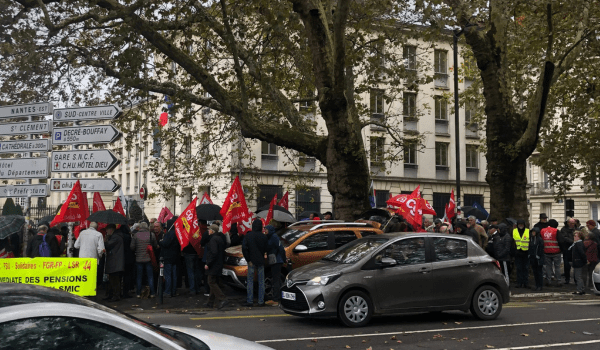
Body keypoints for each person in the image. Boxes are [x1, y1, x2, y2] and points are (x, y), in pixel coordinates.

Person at [242, 219, 268, 307]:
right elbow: (265, 249)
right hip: (260, 260)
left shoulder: (248, 236)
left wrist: (248, 259)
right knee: (261, 282)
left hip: (251, 261)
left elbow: (244, 248)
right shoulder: (264, 236)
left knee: (250, 281)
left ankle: (250, 300)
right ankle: (261, 301)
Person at [130, 222, 157, 298]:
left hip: (138, 259)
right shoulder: (151, 234)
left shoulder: (135, 235)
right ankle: (152, 293)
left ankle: (138, 293)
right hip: (148, 258)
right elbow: (155, 245)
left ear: (140, 227)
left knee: (139, 277)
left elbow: (132, 247)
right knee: (150, 276)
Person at [204, 224, 227, 309]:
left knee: (211, 282)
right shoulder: (219, 238)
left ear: (212, 231)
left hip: (214, 264)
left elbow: (214, 252)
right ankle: (210, 302)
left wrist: (208, 263)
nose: (208, 231)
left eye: (209, 229)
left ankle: (222, 298)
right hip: (219, 263)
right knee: (213, 282)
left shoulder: (213, 239)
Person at [159, 217, 181, 298]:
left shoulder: (169, 234)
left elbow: (165, 244)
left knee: (168, 275)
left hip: (168, 257)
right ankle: (173, 291)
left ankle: (168, 291)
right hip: (175, 257)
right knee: (174, 275)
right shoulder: (177, 233)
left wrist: (160, 242)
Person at [265, 225, 286, 306]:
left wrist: (283, 259)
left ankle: (276, 299)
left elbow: (281, 248)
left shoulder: (274, 237)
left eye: (266, 229)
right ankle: (278, 297)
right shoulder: (269, 237)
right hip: (273, 260)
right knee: (275, 279)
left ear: (270, 230)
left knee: (276, 280)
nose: (265, 231)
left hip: (277, 261)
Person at [104, 224, 124, 301]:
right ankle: (111, 294)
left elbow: (108, 245)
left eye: (107, 230)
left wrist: (105, 240)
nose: (106, 231)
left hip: (115, 261)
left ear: (111, 230)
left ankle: (115, 296)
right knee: (113, 279)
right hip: (116, 260)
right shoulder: (116, 236)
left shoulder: (115, 237)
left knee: (114, 280)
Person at [541, 219, 562, 287]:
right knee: (557, 267)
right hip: (556, 252)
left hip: (546, 251)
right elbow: (561, 241)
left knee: (548, 267)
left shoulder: (543, 230)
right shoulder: (556, 231)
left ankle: (548, 281)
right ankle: (559, 281)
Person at [559, 218, 576, 284]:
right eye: (572, 223)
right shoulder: (564, 229)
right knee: (567, 264)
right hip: (567, 249)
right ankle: (567, 278)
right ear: (568, 223)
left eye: (574, 223)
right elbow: (564, 238)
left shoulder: (575, 228)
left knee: (575, 264)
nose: (573, 225)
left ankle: (575, 279)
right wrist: (573, 242)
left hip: (574, 249)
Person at [513, 219, 530, 288]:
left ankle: (525, 283)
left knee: (526, 268)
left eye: (522, 224)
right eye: (519, 224)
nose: (521, 225)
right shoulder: (514, 231)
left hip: (526, 252)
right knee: (519, 269)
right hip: (518, 252)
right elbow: (512, 242)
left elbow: (530, 242)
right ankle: (519, 283)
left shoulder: (527, 231)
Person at [570, 231, 587, 295]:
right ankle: (581, 288)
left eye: (575, 236)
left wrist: (584, 260)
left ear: (579, 237)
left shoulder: (578, 244)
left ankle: (579, 290)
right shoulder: (577, 243)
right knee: (578, 276)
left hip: (578, 261)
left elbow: (582, 253)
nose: (574, 237)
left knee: (578, 276)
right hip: (578, 261)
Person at [528, 227, 545, 291]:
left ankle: (540, 285)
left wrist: (539, 256)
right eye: (532, 232)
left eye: (534, 232)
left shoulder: (539, 240)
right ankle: (537, 285)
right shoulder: (531, 239)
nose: (533, 233)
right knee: (535, 272)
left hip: (538, 258)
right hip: (533, 258)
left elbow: (541, 249)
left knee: (539, 272)